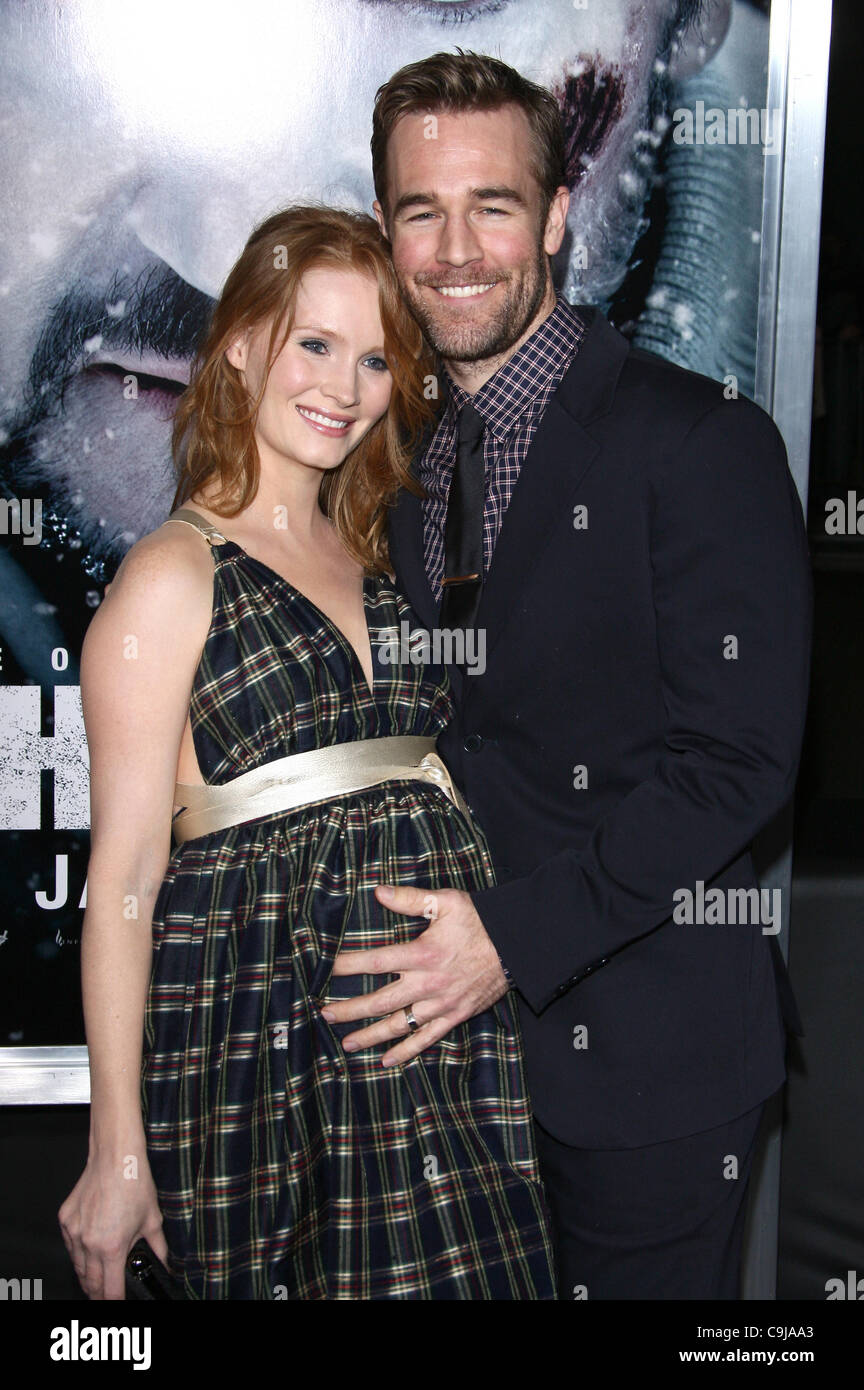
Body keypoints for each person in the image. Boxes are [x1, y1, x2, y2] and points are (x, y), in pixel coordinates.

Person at [319, 51, 813, 1300]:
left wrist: (510, 937)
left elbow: (739, 763)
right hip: (439, 1069)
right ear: (385, 231)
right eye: (421, 211)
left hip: (650, 1063)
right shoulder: (376, 451)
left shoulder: (698, 440)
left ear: (555, 215)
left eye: (492, 204)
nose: (457, 247)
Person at [57, 205, 556, 1300]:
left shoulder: (385, 554)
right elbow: (127, 882)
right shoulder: (173, 575)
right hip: (258, 1047)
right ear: (240, 344)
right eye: (314, 344)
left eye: (377, 356)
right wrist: (115, 1150)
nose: (343, 385)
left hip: (439, 1049)